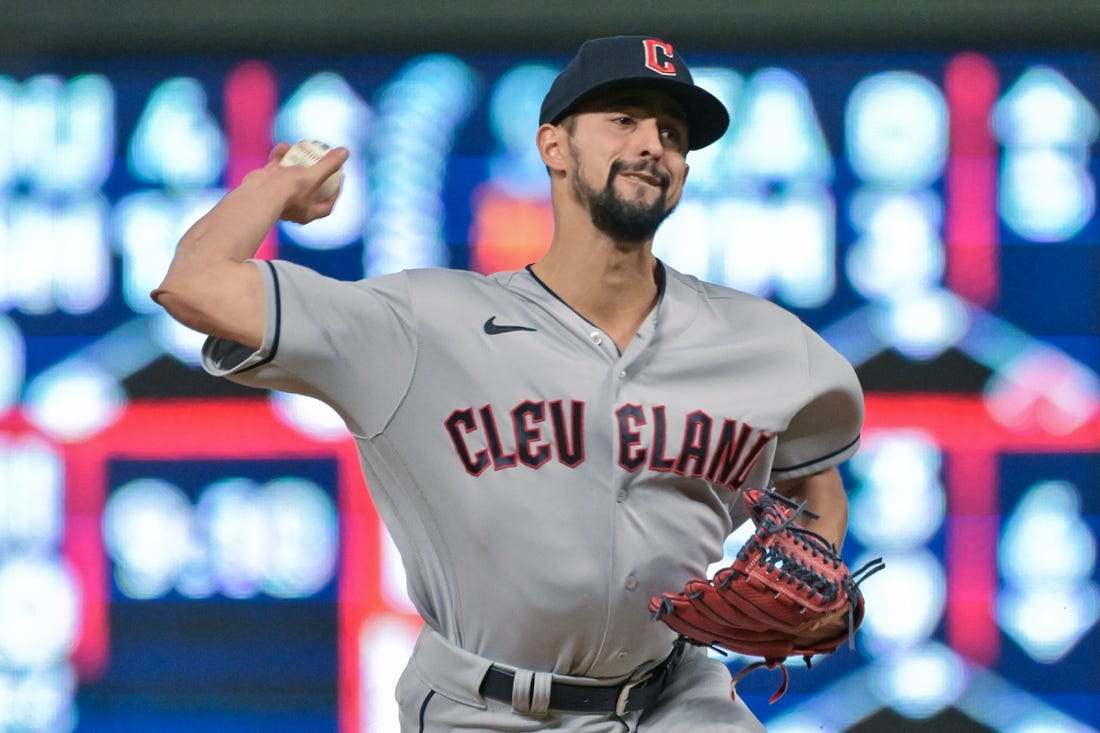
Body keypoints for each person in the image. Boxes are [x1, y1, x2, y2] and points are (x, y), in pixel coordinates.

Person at [155, 36, 863, 732]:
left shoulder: (764, 344)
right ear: (553, 147)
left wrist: (819, 573)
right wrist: (272, 187)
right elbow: (196, 284)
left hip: (677, 699)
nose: (654, 143)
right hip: (485, 710)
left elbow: (814, 485)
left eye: (672, 133)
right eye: (624, 119)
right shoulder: (421, 324)